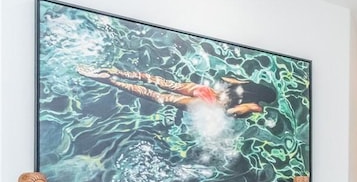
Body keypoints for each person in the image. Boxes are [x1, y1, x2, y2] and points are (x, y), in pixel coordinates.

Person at [76, 65, 276, 118]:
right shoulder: (256, 106)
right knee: (159, 96)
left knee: (159, 81)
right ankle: (112, 82)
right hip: (209, 104)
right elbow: (232, 112)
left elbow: (226, 79)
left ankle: (115, 71)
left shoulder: (248, 81)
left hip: (207, 91)